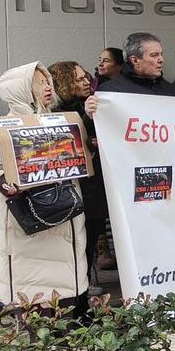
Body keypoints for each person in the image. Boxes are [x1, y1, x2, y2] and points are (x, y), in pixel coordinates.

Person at [0, 62, 89, 315]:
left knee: (66, 301)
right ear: (20, 89)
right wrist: (2, 182)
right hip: (27, 225)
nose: (48, 87)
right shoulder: (2, 127)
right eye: (39, 82)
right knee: (33, 305)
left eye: (48, 81)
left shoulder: (59, 121)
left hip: (66, 215)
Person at [49, 61, 115, 287]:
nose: (87, 81)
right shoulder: (55, 111)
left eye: (86, 77)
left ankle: (84, 284)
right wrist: (87, 124)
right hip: (75, 189)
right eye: (79, 79)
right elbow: (67, 142)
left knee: (91, 235)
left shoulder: (92, 104)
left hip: (95, 186)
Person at [90, 33, 175, 99]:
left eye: (161, 54)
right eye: (154, 55)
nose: (161, 60)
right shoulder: (110, 91)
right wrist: (90, 113)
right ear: (135, 60)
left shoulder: (171, 91)